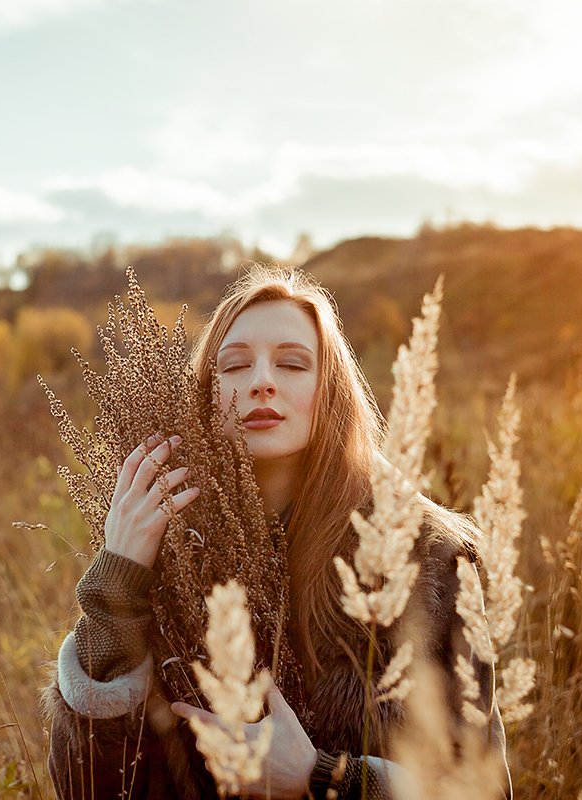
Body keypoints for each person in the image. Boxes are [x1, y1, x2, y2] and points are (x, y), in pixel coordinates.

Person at [41, 267, 510, 799]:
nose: (262, 380)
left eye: (291, 363)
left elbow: (483, 789)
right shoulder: (167, 553)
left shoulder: (427, 558)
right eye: (235, 364)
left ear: (329, 389)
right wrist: (117, 583)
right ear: (204, 396)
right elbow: (86, 787)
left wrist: (326, 777)